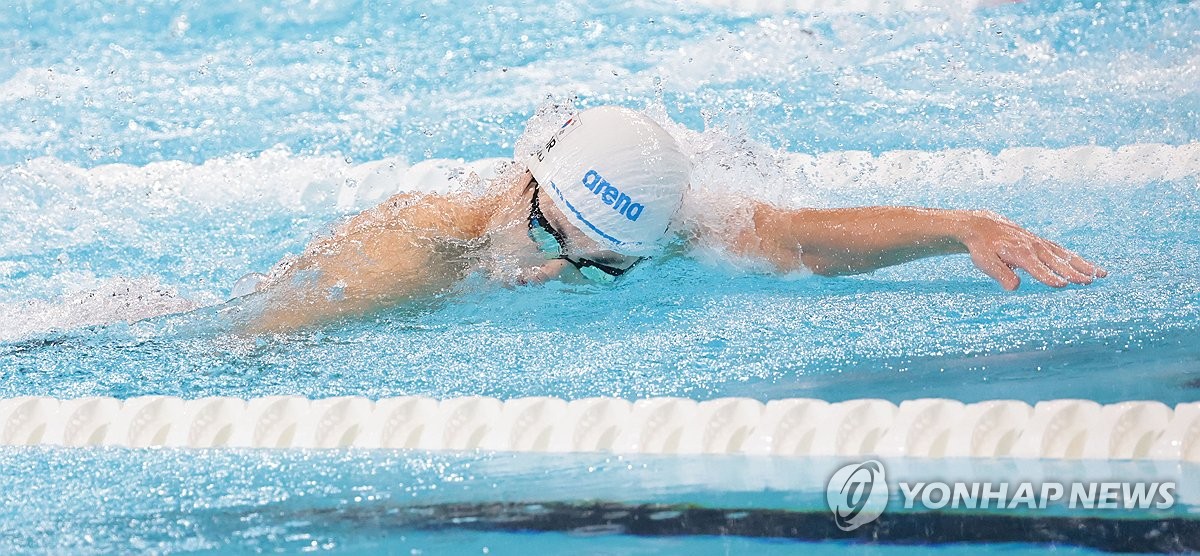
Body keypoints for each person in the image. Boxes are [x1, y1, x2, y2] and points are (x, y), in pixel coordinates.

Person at [242, 106, 1106, 333]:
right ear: (524, 180)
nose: (555, 270)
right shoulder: (417, 250)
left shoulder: (680, 224)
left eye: (600, 265)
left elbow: (792, 237)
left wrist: (957, 225)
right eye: (549, 237)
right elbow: (248, 333)